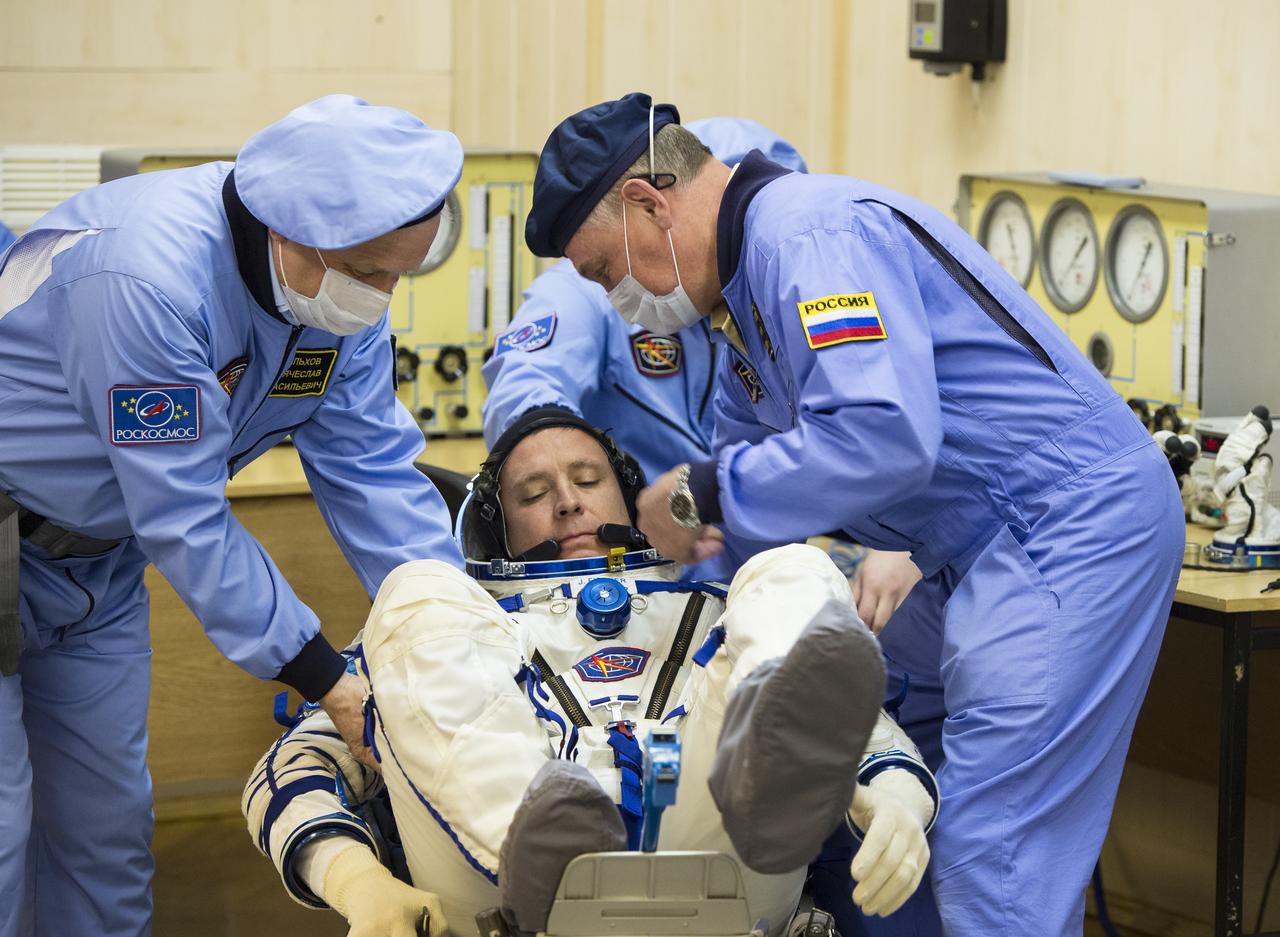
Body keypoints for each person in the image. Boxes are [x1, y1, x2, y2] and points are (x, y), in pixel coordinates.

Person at [520, 92, 1185, 937]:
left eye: (603, 271)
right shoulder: (739, 312)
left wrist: (700, 494)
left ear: (649, 203)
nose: (617, 298)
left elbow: (881, 434)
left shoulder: (810, 237)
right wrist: (675, 610)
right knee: (862, 734)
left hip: (1065, 525)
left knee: (993, 845)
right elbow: (739, 520)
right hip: (969, 545)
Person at [0, 95, 467, 936]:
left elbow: (372, 471)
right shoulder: (149, 280)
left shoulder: (333, 302)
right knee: (2, 835)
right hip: (13, 539)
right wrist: (328, 679)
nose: (381, 297)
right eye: (368, 272)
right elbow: (185, 515)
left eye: (399, 275)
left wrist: (450, 621)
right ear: (291, 233)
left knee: (105, 837)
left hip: (100, 567)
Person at [243, 408, 939, 937]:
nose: (569, 502)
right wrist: (356, 879)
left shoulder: (723, 609)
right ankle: (529, 839)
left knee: (795, 569)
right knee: (413, 584)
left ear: (629, 499)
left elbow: (860, 730)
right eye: (533, 493)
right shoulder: (447, 628)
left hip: (728, 853)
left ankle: (763, 788)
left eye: (586, 481)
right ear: (496, 528)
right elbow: (298, 764)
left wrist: (897, 797)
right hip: (503, 901)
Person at [482, 117, 808, 484]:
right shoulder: (591, 283)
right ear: (659, 206)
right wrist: (549, 445)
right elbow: (523, 381)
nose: (726, 237)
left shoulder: (783, 276)